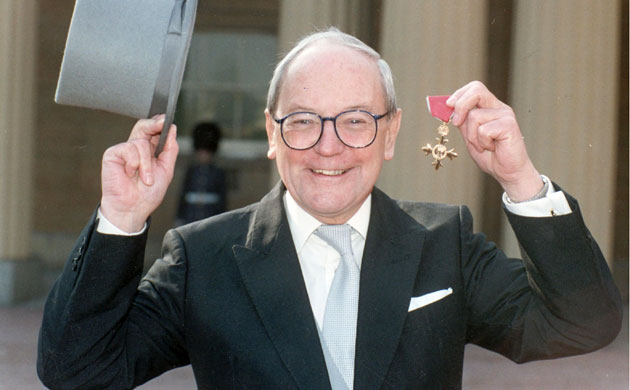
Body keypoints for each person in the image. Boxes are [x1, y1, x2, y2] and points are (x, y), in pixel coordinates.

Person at [37, 28, 622, 389]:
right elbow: (78, 371)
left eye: (356, 121)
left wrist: (520, 178)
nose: (328, 145)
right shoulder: (204, 258)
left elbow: (581, 324)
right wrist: (121, 218)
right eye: (303, 121)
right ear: (271, 132)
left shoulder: (444, 243)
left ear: (391, 134)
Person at [176, 121, 226, 226]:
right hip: (191, 217)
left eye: (206, 153)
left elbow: (222, 200)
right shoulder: (191, 171)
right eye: (201, 153)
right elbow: (183, 195)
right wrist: (179, 217)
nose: (203, 156)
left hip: (210, 216)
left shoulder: (218, 172)